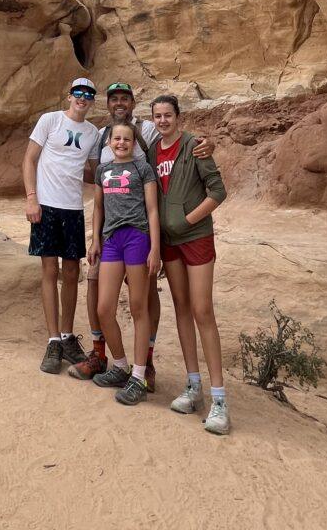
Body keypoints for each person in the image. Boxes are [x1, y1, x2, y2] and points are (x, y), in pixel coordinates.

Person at [69, 81, 214, 392]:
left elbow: (169, 140)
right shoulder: (98, 135)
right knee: (96, 287)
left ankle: (143, 363)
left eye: (125, 98)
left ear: (133, 102)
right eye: (114, 99)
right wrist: (95, 236)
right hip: (108, 232)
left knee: (144, 298)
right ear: (107, 104)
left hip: (139, 230)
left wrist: (202, 144)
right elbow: (97, 186)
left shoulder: (147, 129)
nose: (119, 103)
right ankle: (101, 355)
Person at [148, 93, 231, 435]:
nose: (163, 120)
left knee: (202, 310)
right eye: (158, 116)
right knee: (181, 307)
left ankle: (220, 400)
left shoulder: (194, 146)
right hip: (169, 244)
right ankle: (193, 385)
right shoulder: (153, 152)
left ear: (178, 117)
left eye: (168, 115)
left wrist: (187, 221)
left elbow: (218, 191)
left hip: (195, 238)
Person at [23, 77, 100, 374]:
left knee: (71, 271)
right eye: (78, 92)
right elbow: (29, 160)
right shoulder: (50, 120)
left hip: (72, 208)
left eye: (89, 94)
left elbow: (94, 173)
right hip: (47, 205)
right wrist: (32, 199)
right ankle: (53, 339)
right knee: (49, 269)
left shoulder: (92, 132)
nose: (83, 97)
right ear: (69, 95)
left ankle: (67, 336)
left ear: (92, 100)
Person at [87, 122, 161, 405]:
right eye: (116, 138)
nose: (121, 142)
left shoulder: (143, 169)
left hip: (136, 238)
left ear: (135, 143)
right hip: (111, 240)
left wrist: (155, 248)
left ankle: (139, 376)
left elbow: (152, 210)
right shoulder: (102, 171)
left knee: (138, 307)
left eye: (126, 139)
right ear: (108, 143)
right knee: (104, 308)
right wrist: (95, 240)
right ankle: (119, 365)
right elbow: (98, 208)